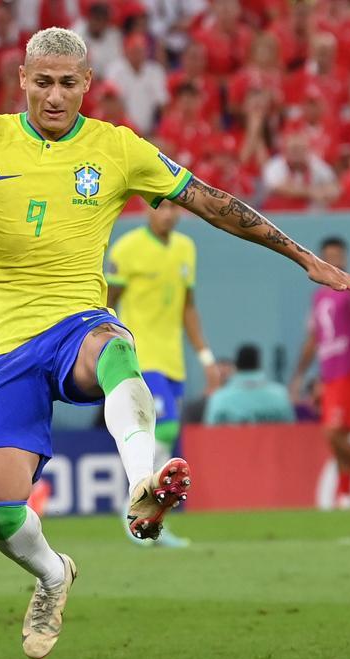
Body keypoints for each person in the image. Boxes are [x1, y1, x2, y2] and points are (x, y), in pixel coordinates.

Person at [0, 27, 350, 659]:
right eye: (44, 82)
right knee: (0, 515)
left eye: (68, 84)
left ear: (88, 85)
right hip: (0, 345)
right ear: (22, 79)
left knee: (113, 347)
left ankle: (144, 484)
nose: (55, 96)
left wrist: (304, 258)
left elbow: (211, 202)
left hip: (75, 322)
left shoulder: (116, 148)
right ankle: (53, 574)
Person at [105, 201, 219, 548]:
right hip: (140, 355)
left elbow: (188, 307)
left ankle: (152, 515)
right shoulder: (128, 249)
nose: (168, 214)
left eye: (174, 208)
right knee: (162, 426)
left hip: (173, 360)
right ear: (148, 210)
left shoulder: (186, 249)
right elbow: (107, 299)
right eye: (162, 207)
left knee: (165, 436)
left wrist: (205, 356)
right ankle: (134, 506)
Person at [289, 237, 350, 508]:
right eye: (328, 256)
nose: (334, 261)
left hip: (349, 370)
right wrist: (299, 375)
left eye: (338, 256)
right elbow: (313, 338)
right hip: (329, 374)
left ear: (346, 258)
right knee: (337, 434)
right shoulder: (319, 296)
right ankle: (345, 494)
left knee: (334, 433)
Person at [205, 345, 296, 424]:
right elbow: (289, 432)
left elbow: (210, 434)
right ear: (259, 365)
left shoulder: (219, 398)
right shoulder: (280, 395)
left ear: (237, 367)